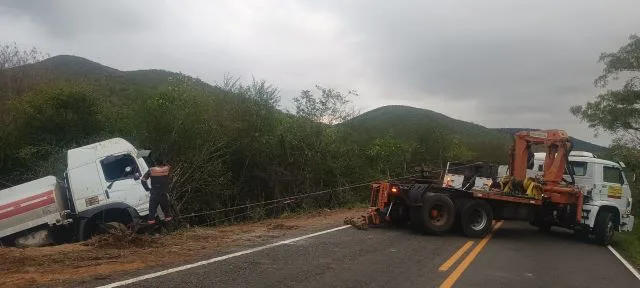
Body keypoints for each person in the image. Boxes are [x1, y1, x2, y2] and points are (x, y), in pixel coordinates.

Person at [141, 157, 173, 225]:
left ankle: (152, 232)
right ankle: (169, 229)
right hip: (163, 194)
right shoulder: (166, 169)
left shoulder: (151, 170)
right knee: (166, 212)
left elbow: (143, 180)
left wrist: (148, 189)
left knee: (152, 213)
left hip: (154, 194)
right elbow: (169, 166)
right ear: (162, 163)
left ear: (155, 163)